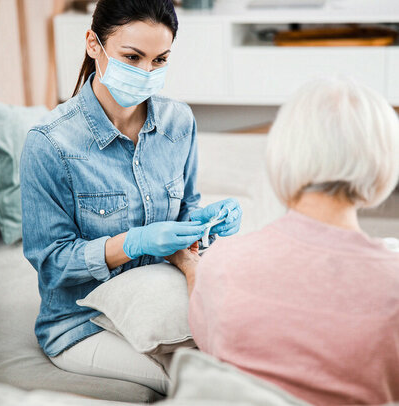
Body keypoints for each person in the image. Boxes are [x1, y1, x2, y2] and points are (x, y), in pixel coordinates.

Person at [19, 0, 242, 394]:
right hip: (80, 324)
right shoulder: (50, 143)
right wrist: (131, 243)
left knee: (252, 355)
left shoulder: (179, 122)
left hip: (159, 297)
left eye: (159, 60)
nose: (146, 73)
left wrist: (203, 222)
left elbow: (186, 206)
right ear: (93, 44)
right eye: (132, 57)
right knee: (211, 386)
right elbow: (51, 264)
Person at [166, 77, 399, 405]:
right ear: (384, 163)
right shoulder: (392, 281)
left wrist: (190, 265)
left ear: (283, 153)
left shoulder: (224, 262)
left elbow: (209, 333)